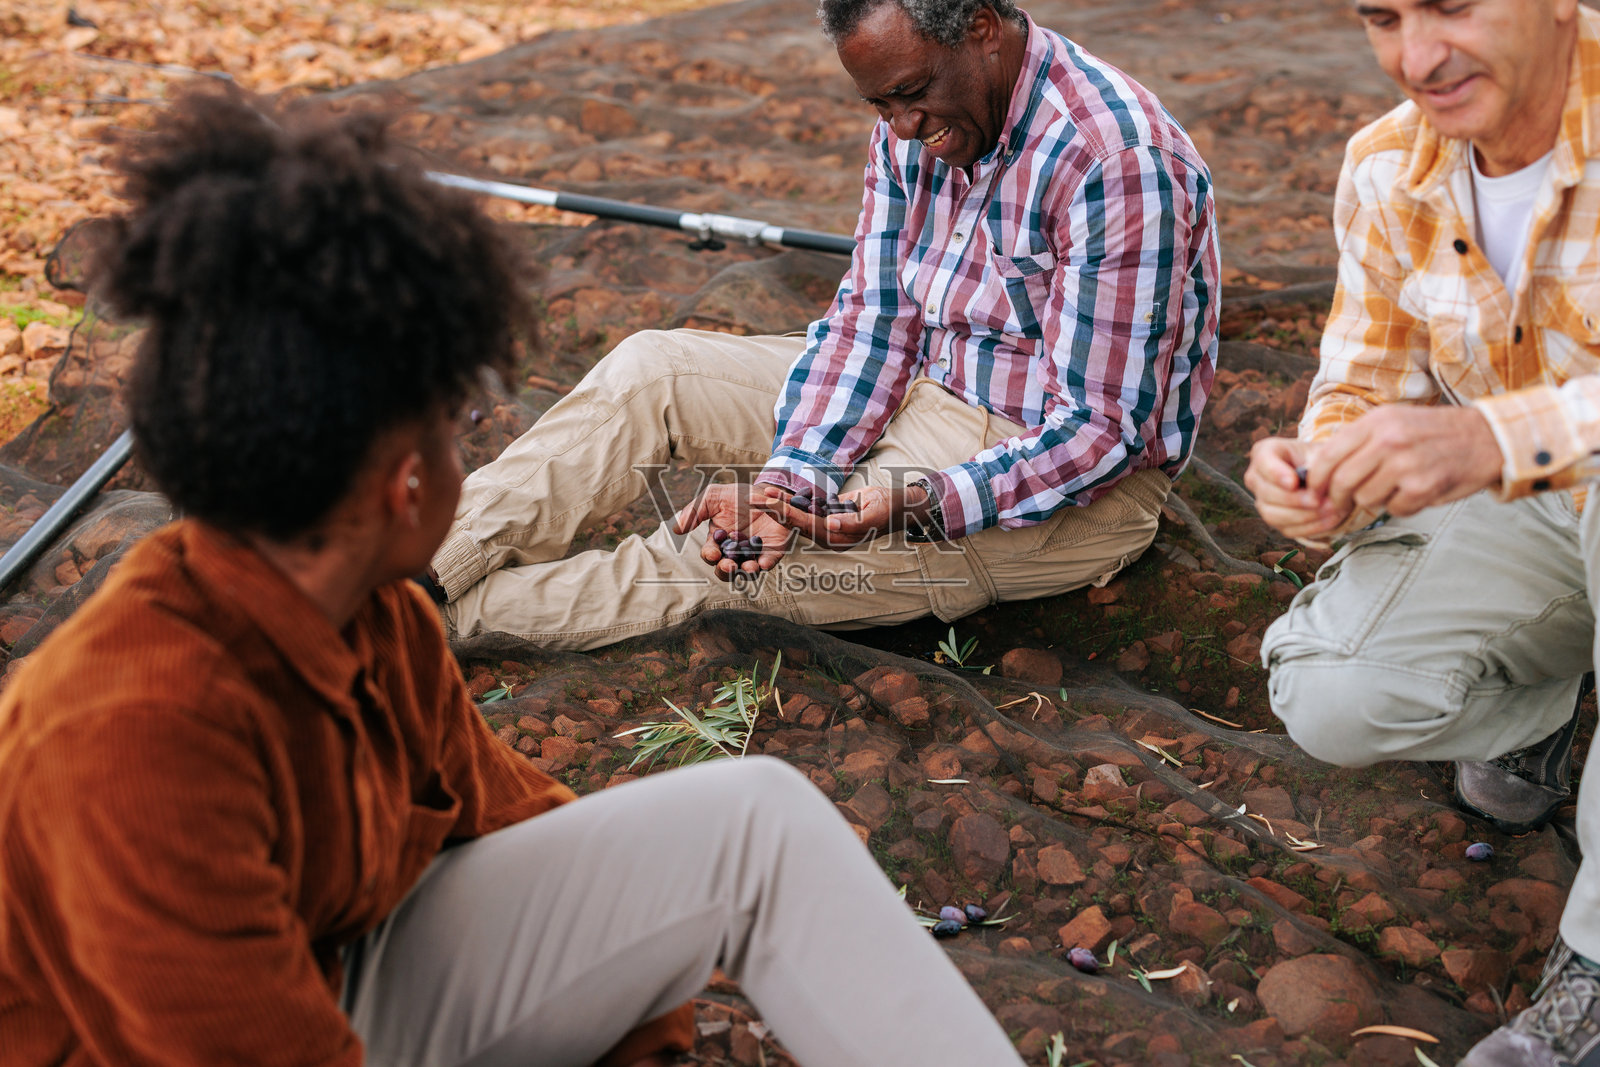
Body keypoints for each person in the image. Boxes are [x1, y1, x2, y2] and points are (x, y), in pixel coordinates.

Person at [0, 87, 1029, 1067]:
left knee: (753, 820)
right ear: (407, 486)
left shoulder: (378, 622)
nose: (471, 458)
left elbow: (518, 822)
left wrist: (638, 1036)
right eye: (455, 433)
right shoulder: (128, 738)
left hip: (331, 976)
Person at [427, 0, 1219, 652]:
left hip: (1058, 477)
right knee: (650, 373)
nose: (903, 128)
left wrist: (913, 504)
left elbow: (1101, 433)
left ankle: (412, 629)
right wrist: (791, 479)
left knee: (731, 563)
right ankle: (418, 573)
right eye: (881, 104)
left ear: (981, 27)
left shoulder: (1114, 159)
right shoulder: (919, 119)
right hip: (926, 384)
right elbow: (877, 322)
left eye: (913, 93)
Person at [1243, 1, 1600, 1062]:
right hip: (1536, 515)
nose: (1417, 56)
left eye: (1450, 5)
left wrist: (1492, 437)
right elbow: (1359, 378)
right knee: (1334, 689)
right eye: (1383, 17)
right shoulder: (1389, 164)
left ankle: (1593, 963)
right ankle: (1553, 711)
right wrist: (1323, 474)